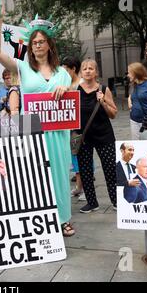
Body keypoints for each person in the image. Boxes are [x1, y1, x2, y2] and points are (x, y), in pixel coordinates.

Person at [0, 6, 75, 236]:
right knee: (36, 174)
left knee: (58, 173)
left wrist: (64, 87)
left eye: (41, 41)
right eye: (34, 42)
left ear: (49, 44)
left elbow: (71, 92)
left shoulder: (61, 72)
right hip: (33, 131)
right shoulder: (22, 67)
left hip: (57, 132)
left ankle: (64, 218)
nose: (37, 45)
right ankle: (41, 218)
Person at [75, 59, 118, 213]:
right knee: (85, 171)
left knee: (110, 169)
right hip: (83, 137)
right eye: (84, 68)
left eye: (91, 68)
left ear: (96, 72)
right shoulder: (74, 90)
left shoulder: (103, 89)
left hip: (104, 135)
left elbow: (113, 114)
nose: (87, 71)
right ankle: (92, 202)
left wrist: (103, 102)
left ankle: (116, 201)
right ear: (80, 72)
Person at [60, 56, 86, 201]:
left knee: (80, 157)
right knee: (75, 157)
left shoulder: (80, 84)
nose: (63, 73)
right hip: (70, 126)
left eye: (65, 70)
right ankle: (79, 187)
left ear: (73, 69)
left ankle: (83, 189)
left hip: (79, 126)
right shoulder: (67, 83)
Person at [127, 62, 147, 139]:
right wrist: (129, 101)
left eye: (129, 73)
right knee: (136, 145)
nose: (128, 75)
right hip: (134, 120)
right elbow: (131, 95)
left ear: (136, 73)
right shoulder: (133, 85)